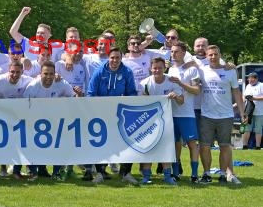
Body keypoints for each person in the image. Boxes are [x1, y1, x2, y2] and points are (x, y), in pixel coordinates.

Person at [86, 46, 138, 184]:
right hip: (101, 113)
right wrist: (100, 106)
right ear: (108, 58)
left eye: (118, 58)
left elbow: (132, 93)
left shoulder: (127, 72)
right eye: (112, 58)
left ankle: (125, 172)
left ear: (121, 59)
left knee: (126, 141)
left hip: (120, 114)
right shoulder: (99, 72)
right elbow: (91, 93)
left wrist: (124, 105)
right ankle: (100, 172)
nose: (115, 60)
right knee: (100, 142)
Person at [198, 45, 244, 184]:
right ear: (206, 56)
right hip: (206, 115)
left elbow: (236, 92)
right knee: (204, 146)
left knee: (225, 146)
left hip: (225, 115)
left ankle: (223, 174)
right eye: (210, 55)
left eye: (215, 54)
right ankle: (206, 174)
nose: (213, 57)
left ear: (220, 55)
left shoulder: (230, 71)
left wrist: (242, 113)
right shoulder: (201, 71)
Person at [23, 61, 72, 181]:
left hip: (55, 121)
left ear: (55, 74)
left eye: (51, 74)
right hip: (35, 122)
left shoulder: (61, 83)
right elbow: (24, 106)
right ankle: (33, 172)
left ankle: (56, 172)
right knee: (33, 146)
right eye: (46, 74)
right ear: (40, 73)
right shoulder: (32, 86)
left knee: (58, 146)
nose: (49, 77)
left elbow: (73, 96)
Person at [139, 57, 184, 185]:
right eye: (155, 68)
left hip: (166, 121)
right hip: (149, 121)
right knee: (148, 148)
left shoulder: (171, 82)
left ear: (165, 68)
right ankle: (146, 176)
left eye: (160, 68)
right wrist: (143, 98)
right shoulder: (145, 83)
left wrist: (175, 97)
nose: (157, 70)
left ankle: (167, 176)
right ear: (150, 69)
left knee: (166, 149)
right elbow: (139, 103)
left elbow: (182, 102)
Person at [0, 61, 34, 179]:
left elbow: (39, 80)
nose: (14, 75)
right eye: (12, 72)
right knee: (1, 142)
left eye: (17, 72)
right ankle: (3, 167)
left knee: (20, 142)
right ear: (8, 71)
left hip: (19, 116)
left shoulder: (29, 81)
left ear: (22, 72)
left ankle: (17, 169)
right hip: (1, 115)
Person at [167, 42, 201, 183]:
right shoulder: (169, 70)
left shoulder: (192, 70)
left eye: (176, 51)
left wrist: (181, 83)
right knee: (175, 144)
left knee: (192, 143)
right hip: (171, 113)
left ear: (183, 53)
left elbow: (196, 90)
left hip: (187, 113)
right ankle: (176, 173)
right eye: (172, 51)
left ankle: (194, 174)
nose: (173, 54)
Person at [242, 72, 263, 149]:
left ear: (256, 79)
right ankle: (244, 146)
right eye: (248, 78)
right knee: (247, 129)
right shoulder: (248, 86)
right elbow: (244, 98)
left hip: (260, 112)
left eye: (251, 78)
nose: (249, 80)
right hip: (248, 112)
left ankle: (258, 147)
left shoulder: (261, 85)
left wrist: (254, 98)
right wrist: (235, 105)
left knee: (258, 130)